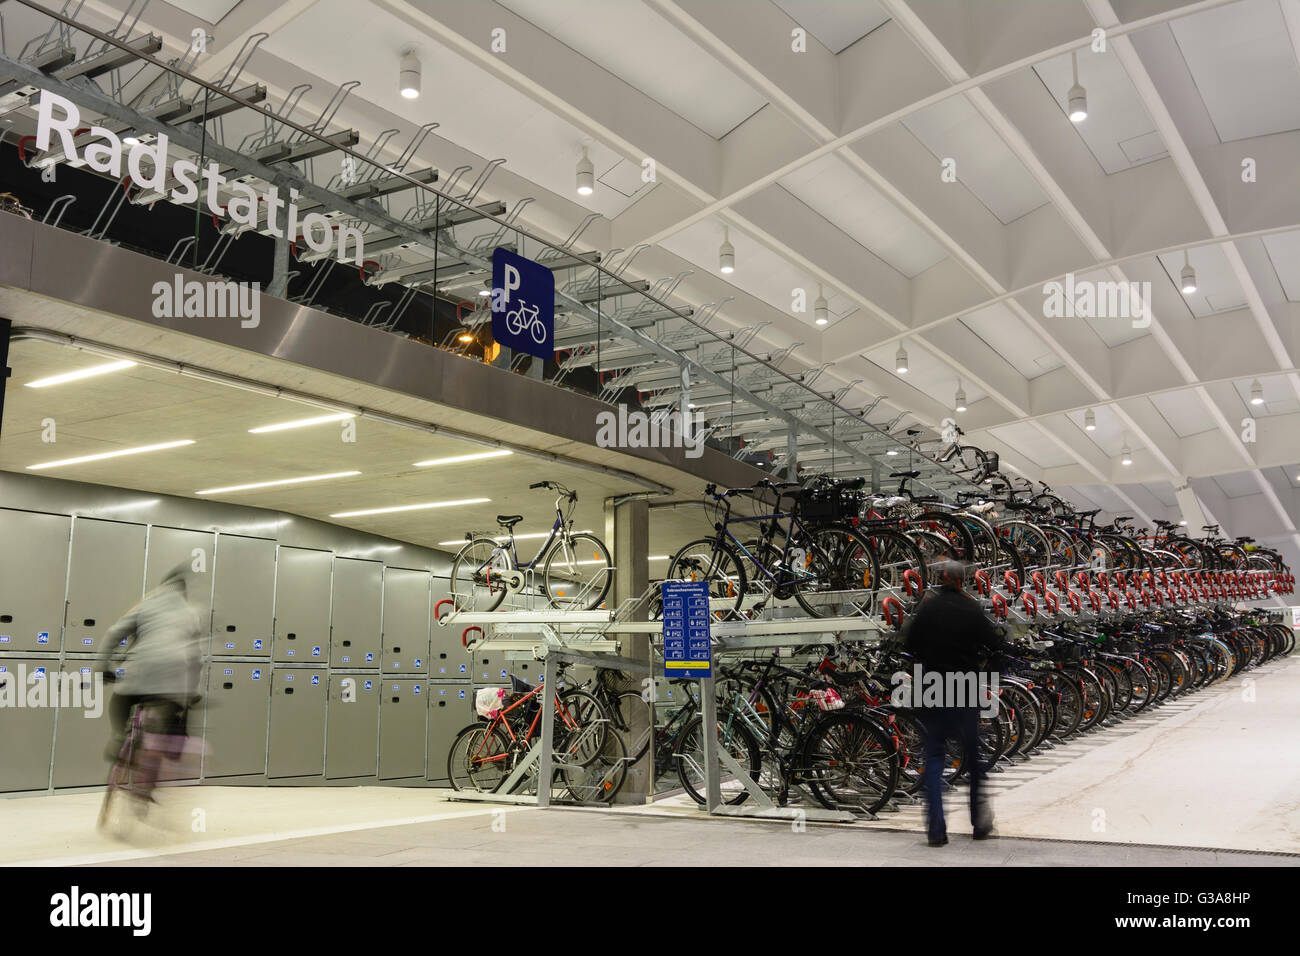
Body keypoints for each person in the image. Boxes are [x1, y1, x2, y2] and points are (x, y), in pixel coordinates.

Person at [904, 559, 1006, 846]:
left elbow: (909, 644)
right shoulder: (971, 608)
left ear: (940, 579)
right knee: (973, 759)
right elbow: (994, 643)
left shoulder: (928, 608)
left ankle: (936, 830)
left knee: (934, 759)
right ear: (962, 580)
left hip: (932, 689)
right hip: (964, 690)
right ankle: (979, 823)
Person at [98, 562, 204, 774]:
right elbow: (195, 658)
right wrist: (192, 692)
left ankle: (118, 738)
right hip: (173, 679)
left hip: (140, 670)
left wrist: (103, 665)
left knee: (119, 701)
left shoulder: (148, 602)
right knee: (165, 722)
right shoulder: (190, 612)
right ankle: (158, 758)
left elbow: (113, 633)